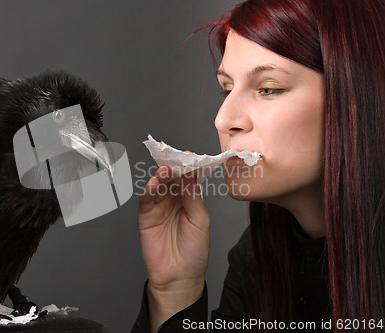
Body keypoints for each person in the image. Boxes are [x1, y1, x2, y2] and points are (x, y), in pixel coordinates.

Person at [132, 0, 385, 332]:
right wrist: (175, 290)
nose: (223, 120)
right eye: (227, 90)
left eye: (268, 89)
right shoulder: (258, 255)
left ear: (357, 96)